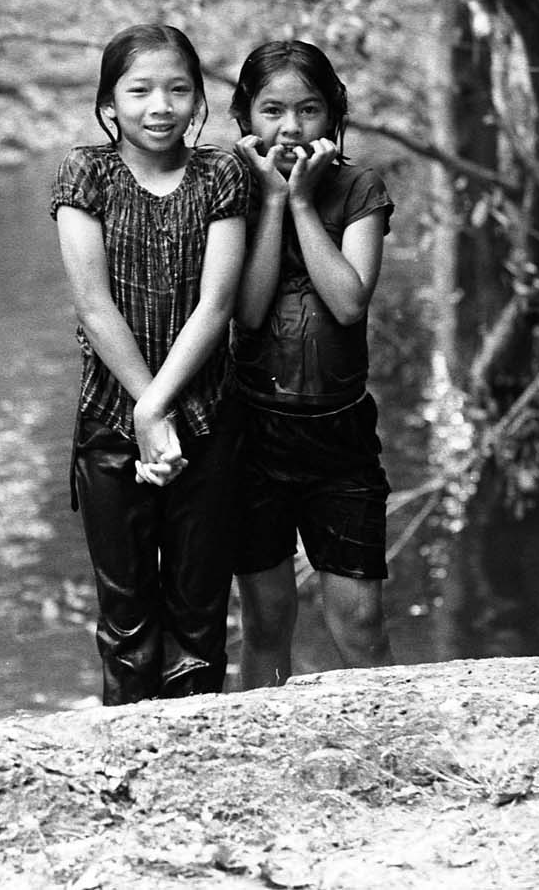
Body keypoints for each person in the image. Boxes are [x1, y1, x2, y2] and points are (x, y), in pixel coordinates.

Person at [50, 23, 249, 704]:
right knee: (127, 622)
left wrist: (157, 407)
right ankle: (127, 749)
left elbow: (217, 304)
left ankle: (202, 747)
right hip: (111, 423)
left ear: (197, 100)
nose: (159, 106)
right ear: (110, 103)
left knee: (200, 616)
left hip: (208, 418)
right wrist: (143, 408)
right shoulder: (87, 172)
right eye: (139, 91)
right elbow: (92, 304)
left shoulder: (220, 173)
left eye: (177, 90)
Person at [228, 39, 396, 688]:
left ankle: (388, 731)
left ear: (334, 114)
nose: (291, 128)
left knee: (360, 621)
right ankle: (261, 737)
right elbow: (247, 310)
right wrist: (272, 201)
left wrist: (301, 202)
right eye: (272, 111)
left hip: (340, 436)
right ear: (245, 116)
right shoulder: (235, 191)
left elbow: (349, 301)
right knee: (267, 618)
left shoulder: (359, 188)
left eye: (308, 110)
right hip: (255, 433)